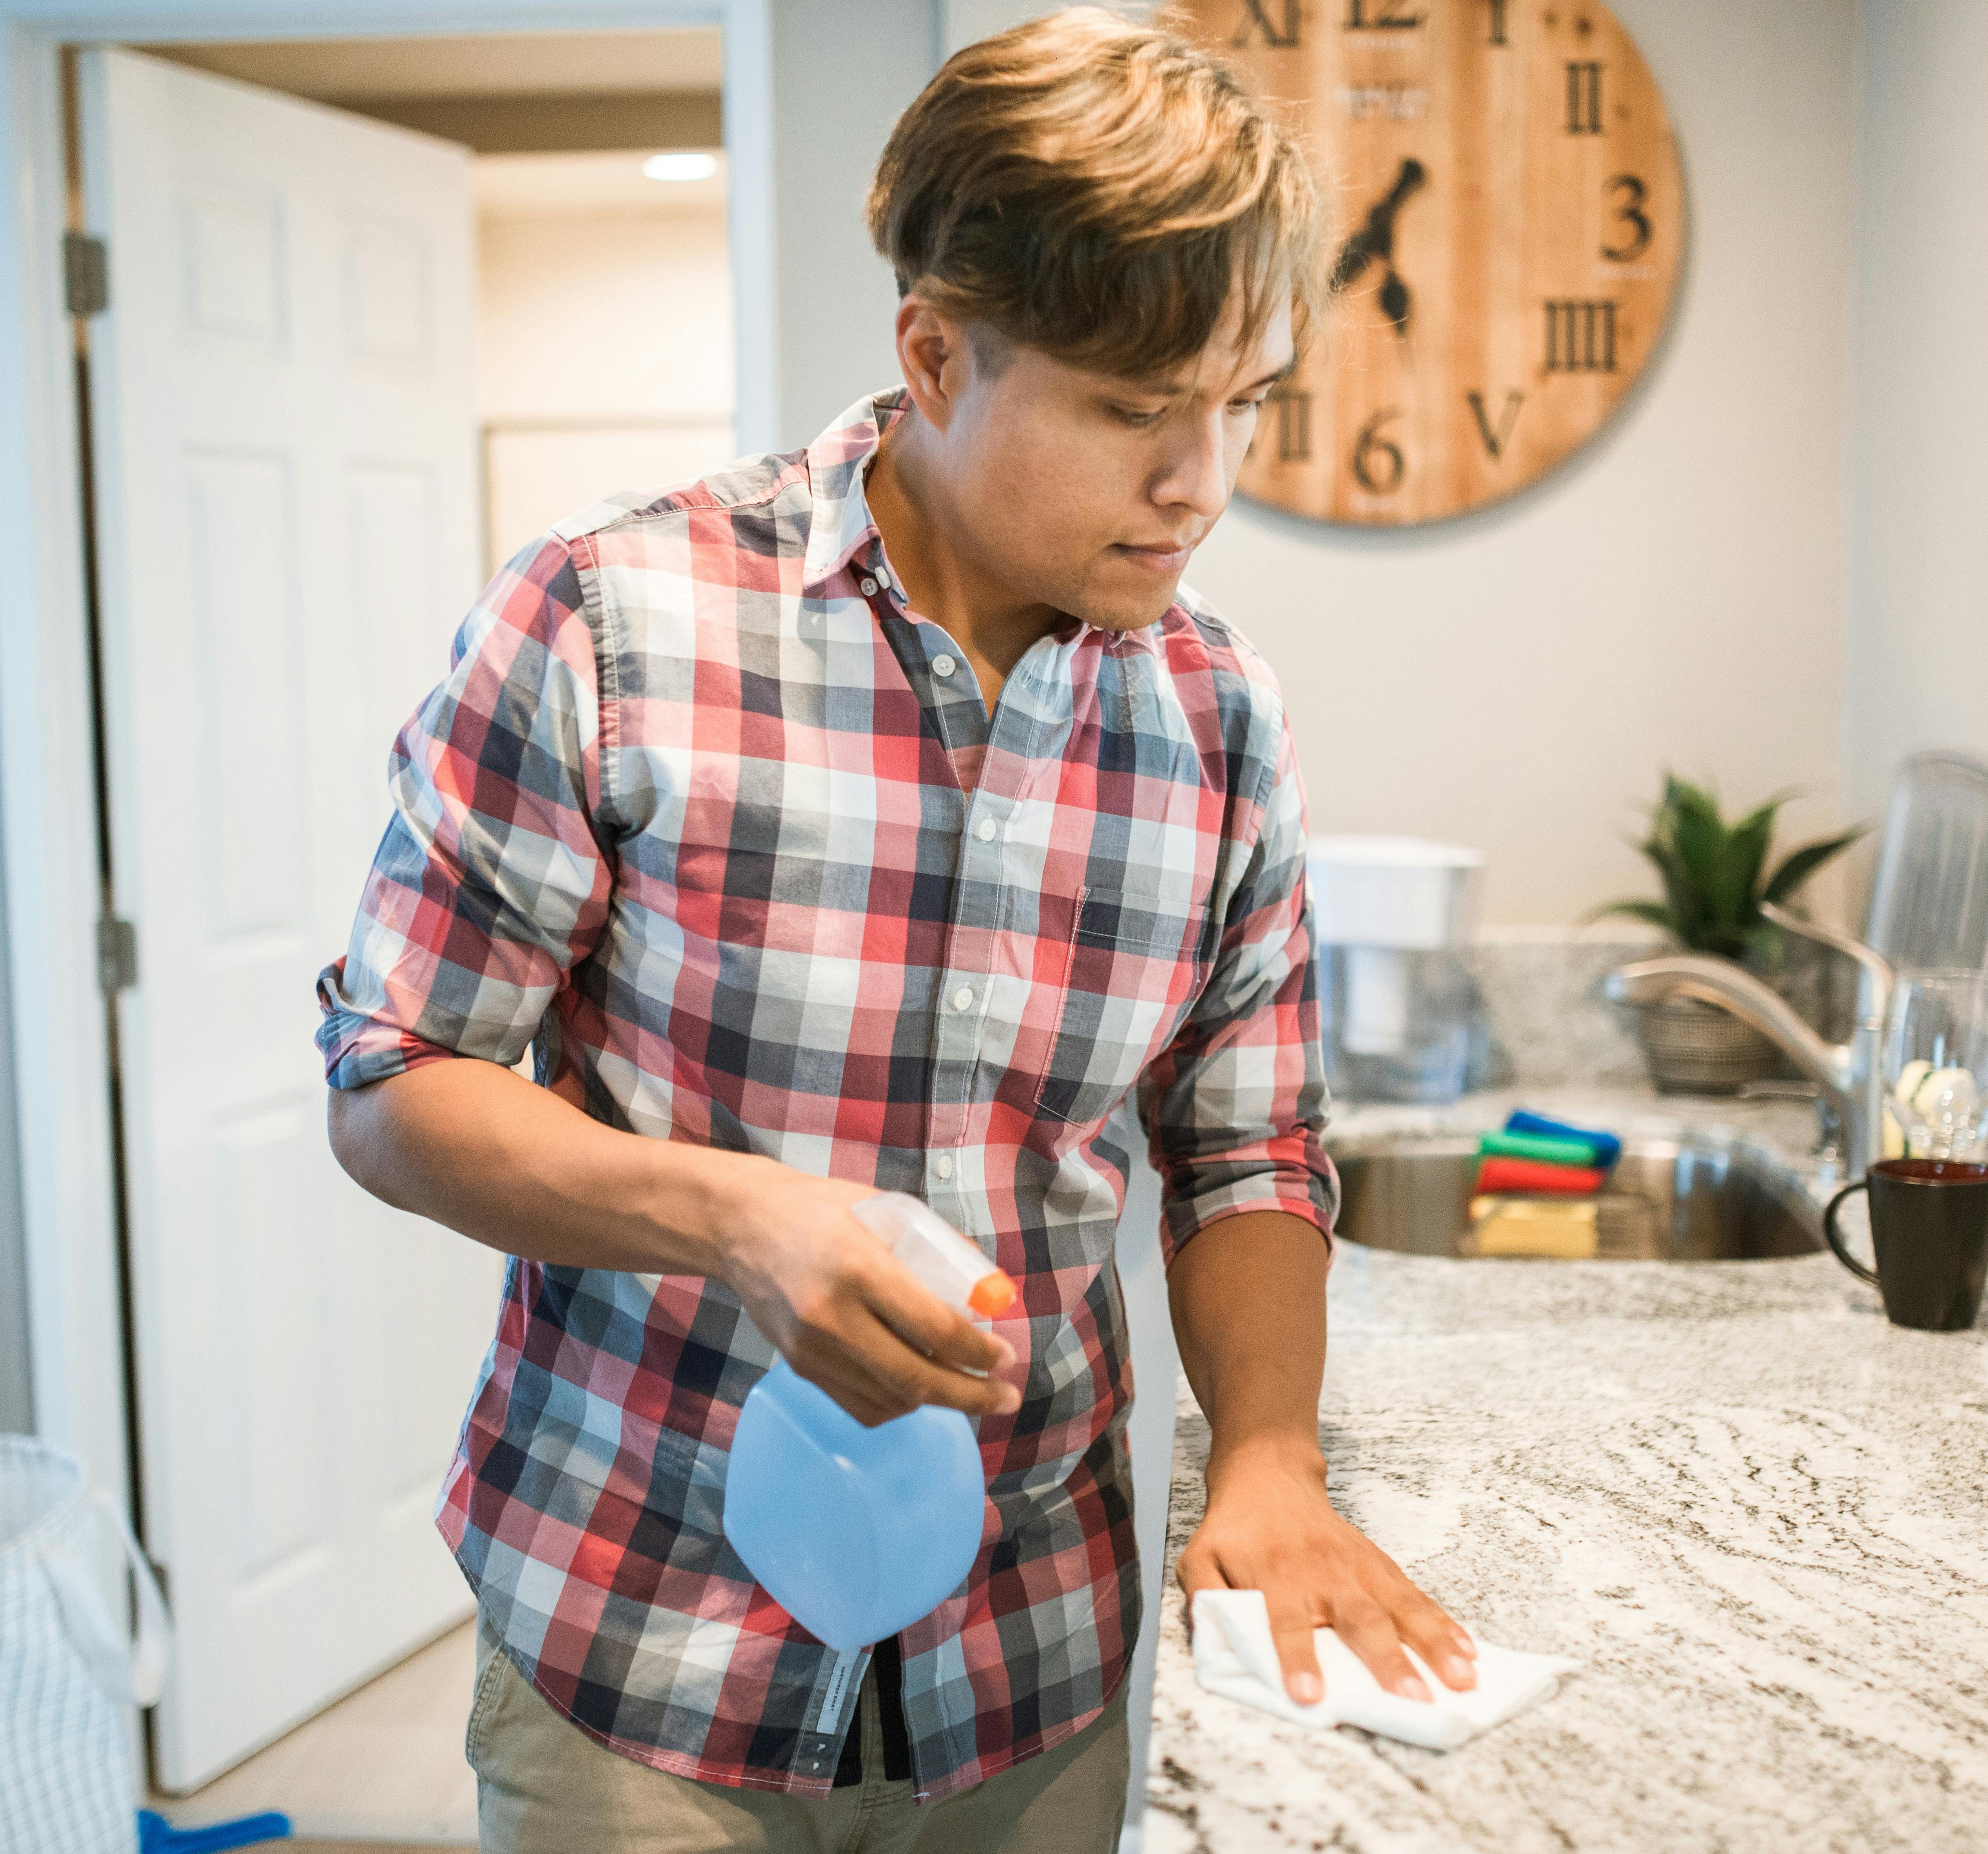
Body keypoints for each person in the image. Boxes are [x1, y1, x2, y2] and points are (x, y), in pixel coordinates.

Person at [315, 11, 1475, 1849]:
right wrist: (739, 1217)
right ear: (936, 354)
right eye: (1130, 410)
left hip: (1030, 1667)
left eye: (1243, 403)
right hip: (641, 1636)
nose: (1204, 480)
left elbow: (1249, 1146)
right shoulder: (612, 622)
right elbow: (392, 1083)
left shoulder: (1219, 714)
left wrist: (1265, 1454)